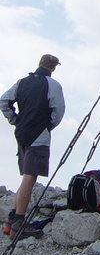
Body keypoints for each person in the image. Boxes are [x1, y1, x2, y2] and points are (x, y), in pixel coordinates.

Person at [0, 54, 65, 239]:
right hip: (38, 135)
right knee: (30, 177)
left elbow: (4, 101)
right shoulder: (53, 85)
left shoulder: (22, 82)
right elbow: (58, 112)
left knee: (25, 177)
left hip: (21, 135)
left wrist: (15, 120)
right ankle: (19, 223)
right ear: (53, 68)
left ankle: (11, 221)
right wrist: (47, 127)